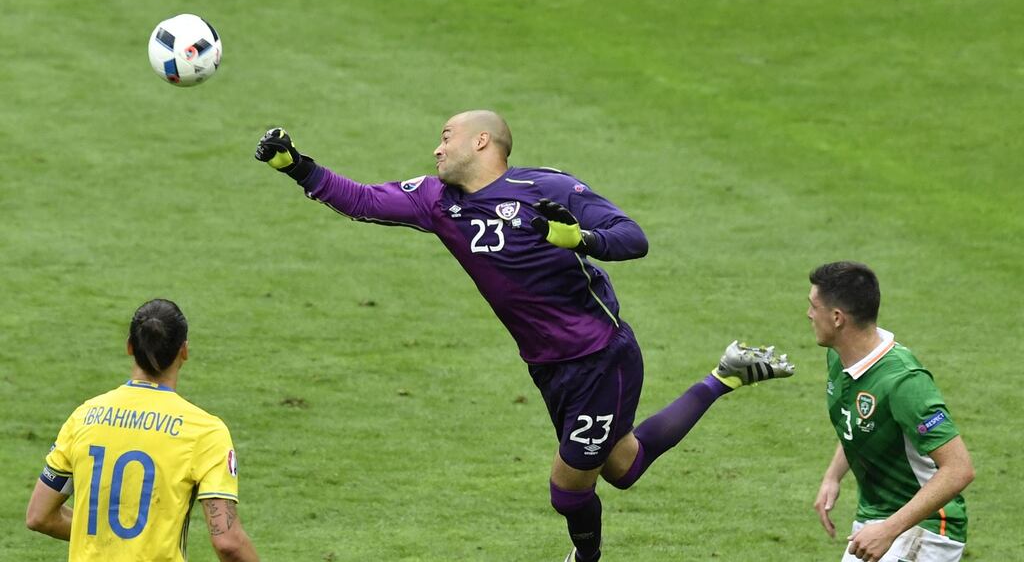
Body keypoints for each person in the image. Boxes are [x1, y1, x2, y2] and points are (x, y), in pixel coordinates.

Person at [255, 110, 794, 560]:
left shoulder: (546, 188)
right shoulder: (437, 200)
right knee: (623, 466)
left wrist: (578, 237)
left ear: (482, 141)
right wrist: (297, 168)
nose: (437, 149)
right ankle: (726, 375)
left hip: (600, 357)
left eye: (446, 137)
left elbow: (633, 238)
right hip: (546, 365)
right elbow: (365, 201)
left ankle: (586, 558)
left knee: (568, 491)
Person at [26, 299, 260, 562]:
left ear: (129, 346)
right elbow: (228, 542)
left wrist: (107, 540)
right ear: (184, 351)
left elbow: (39, 515)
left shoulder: (85, 416)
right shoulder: (205, 431)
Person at [807, 262, 975, 562]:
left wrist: (889, 529)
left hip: (928, 528)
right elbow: (858, 422)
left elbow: (959, 469)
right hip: (876, 518)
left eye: (813, 306)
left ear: (836, 318)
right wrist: (833, 477)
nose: (808, 314)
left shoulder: (904, 381)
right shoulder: (840, 357)